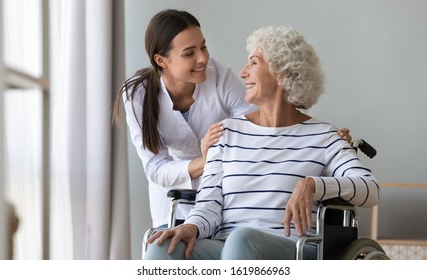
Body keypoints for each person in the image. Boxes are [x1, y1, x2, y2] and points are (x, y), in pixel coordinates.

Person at [144, 25, 379, 260]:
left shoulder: (324, 137)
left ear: (282, 72)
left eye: (253, 63)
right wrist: (191, 227)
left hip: (293, 250)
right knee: (162, 248)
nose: (243, 72)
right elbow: (208, 205)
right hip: (226, 248)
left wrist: (313, 185)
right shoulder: (226, 133)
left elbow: (370, 190)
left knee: (243, 240)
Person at [112, 9, 353, 228]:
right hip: (174, 198)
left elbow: (261, 125)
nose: (203, 59)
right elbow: (155, 168)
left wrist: (324, 141)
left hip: (225, 195)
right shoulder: (136, 96)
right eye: (190, 53)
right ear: (161, 60)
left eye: (203, 47)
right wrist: (204, 161)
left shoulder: (218, 76)